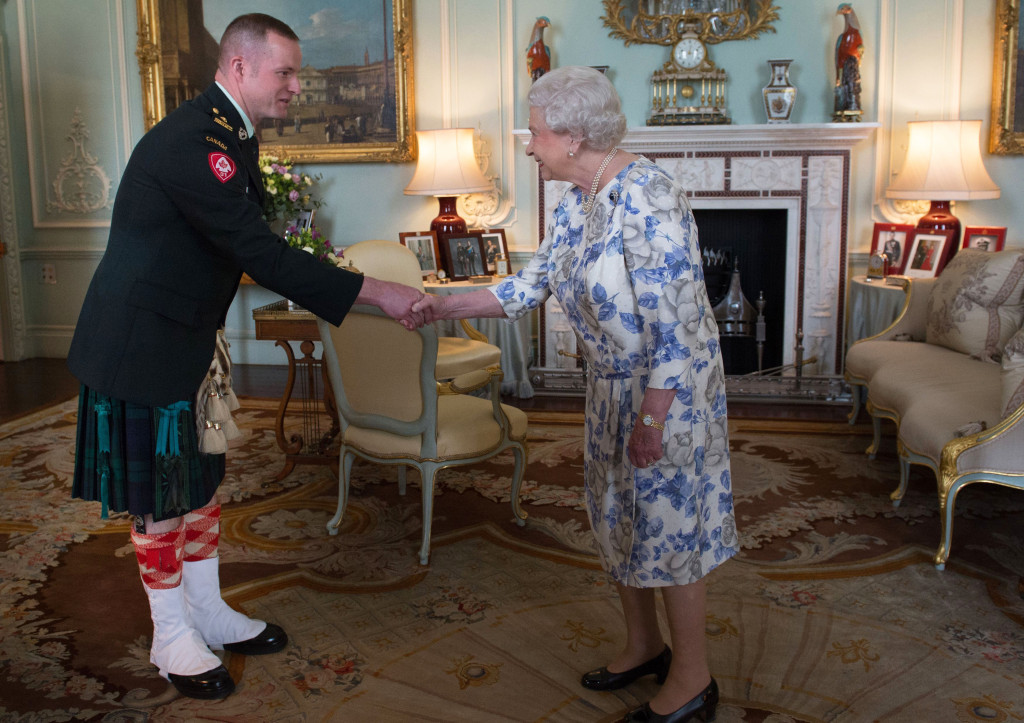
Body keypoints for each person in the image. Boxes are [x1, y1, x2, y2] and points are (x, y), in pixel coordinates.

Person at [67, 13, 424, 701]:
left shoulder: (228, 133)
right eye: (284, 72)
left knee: (199, 483)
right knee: (159, 498)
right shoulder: (196, 143)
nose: (296, 85)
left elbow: (244, 242)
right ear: (238, 68)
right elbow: (258, 251)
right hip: (142, 345)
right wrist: (378, 290)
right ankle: (170, 633)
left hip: (183, 338)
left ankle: (207, 610)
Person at [412, 65, 738, 723]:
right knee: (619, 514)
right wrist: (434, 305)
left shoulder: (652, 198)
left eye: (534, 132)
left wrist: (651, 417)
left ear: (573, 134)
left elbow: (675, 323)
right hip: (611, 385)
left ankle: (694, 679)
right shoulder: (574, 204)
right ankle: (644, 644)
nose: (529, 145)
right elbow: (527, 287)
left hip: (668, 393)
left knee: (671, 530)